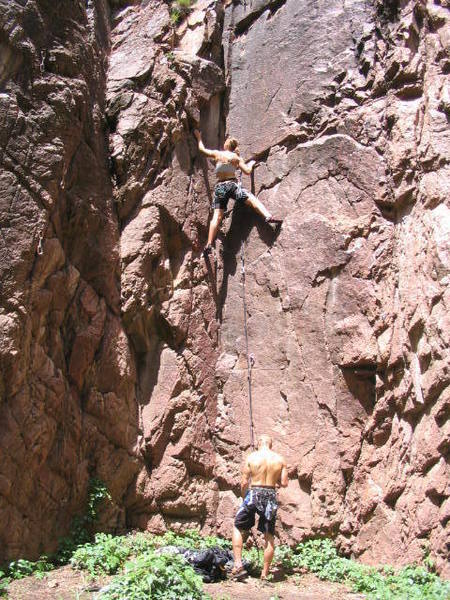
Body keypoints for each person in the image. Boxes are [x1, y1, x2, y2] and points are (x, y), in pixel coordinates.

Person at [194, 130, 282, 257]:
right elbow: (246, 171)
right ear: (234, 147)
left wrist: (199, 137)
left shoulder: (217, 154)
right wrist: (251, 163)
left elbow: (202, 150)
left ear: (226, 146)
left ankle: (208, 243)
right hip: (232, 186)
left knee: (216, 217)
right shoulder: (235, 158)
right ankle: (268, 216)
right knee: (252, 200)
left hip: (220, 187)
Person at [231, 434, 288, 581]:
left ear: (259, 443)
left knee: (238, 526)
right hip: (270, 494)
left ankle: (238, 565)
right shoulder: (280, 460)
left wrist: (244, 497)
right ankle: (265, 573)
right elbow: (284, 482)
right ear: (270, 444)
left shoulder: (251, 457)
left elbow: (244, 482)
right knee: (269, 536)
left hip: (254, 492)